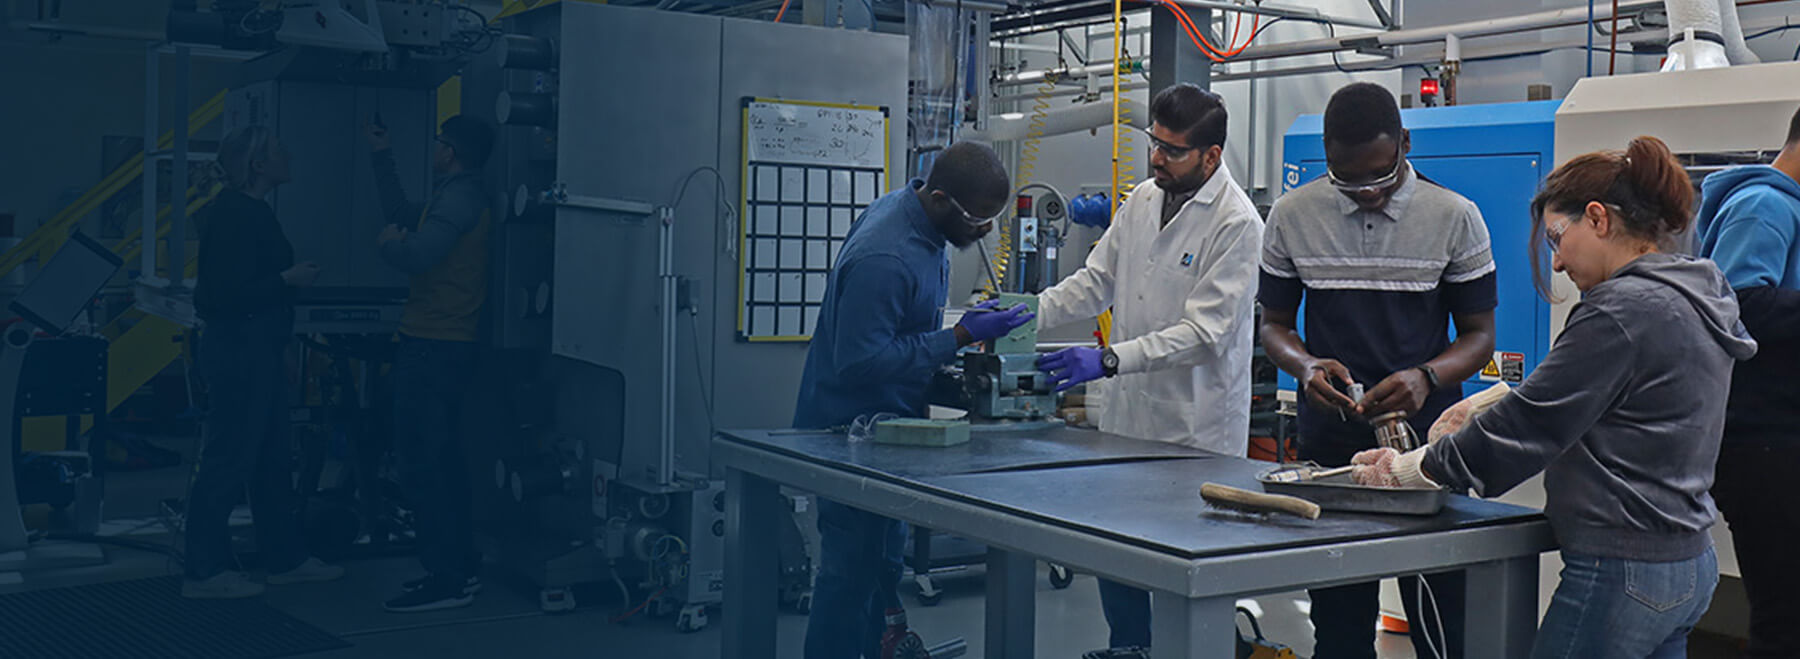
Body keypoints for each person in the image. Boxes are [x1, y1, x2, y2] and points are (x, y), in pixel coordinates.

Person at [1353, 136, 1756, 659]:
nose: (1558, 263)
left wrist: (1409, 470)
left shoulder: (1620, 309)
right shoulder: (1695, 293)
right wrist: (1488, 403)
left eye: (1556, 239)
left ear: (1598, 219)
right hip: (1686, 563)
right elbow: (1617, 400)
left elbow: (1529, 428)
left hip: (1623, 570)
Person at [1257, 82, 1496, 658]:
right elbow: (1275, 327)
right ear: (1326, 154)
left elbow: (1480, 336)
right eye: (1347, 180)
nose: (1365, 192)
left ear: (1405, 144)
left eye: (1379, 177)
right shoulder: (1292, 216)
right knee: (1339, 622)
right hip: (1333, 444)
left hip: (1430, 450)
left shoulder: (1455, 217)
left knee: (1442, 621)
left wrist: (1427, 378)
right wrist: (1307, 364)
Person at [1029, 83, 1262, 657]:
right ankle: (1128, 649)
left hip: (1195, 428)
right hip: (1129, 418)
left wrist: (1108, 359)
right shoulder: (1141, 201)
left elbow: (1205, 336)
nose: (1156, 157)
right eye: (1153, 143)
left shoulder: (1236, 224)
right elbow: (1096, 281)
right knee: (1121, 553)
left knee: (1184, 574)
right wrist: (1026, 313)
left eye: (1172, 149)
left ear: (1211, 156)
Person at [794, 142, 1031, 659]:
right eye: (978, 221)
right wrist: (960, 337)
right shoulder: (886, 255)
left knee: (881, 569)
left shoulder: (921, 219)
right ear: (941, 198)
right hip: (847, 434)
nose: (985, 232)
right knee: (848, 577)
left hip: (891, 429)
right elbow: (856, 361)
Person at [185, 125, 344, 599]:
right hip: (239, 351)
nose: (288, 155)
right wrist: (288, 278)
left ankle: (285, 559)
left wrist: (282, 350)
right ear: (258, 165)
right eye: (278, 151)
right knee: (229, 458)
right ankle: (204, 571)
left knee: (272, 459)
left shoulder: (251, 211)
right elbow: (222, 296)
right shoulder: (236, 214)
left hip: (260, 350)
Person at [364, 115, 495, 613]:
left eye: (439, 143)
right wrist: (381, 154)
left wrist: (388, 246)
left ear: (451, 152)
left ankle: (449, 577)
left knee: (425, 467)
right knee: (435, 463)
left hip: (435, 347)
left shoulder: (460, 199)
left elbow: (418, 255)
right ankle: (455, 568)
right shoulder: (453, 196)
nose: (435, 149)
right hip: (435, 345)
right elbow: (403, 210)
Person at [1694, 107, 1800, 658]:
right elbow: (1737, 306)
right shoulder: (1764, 205)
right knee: (1786, 616)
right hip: (1762, 444)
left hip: (1780, 437)